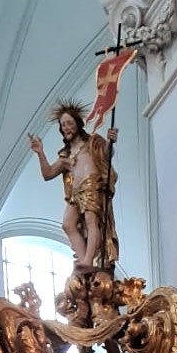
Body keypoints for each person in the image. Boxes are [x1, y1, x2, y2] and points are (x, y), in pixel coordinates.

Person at [28, 101, 119, 270]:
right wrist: (40, 152)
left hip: (92, 184)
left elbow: (106, 155)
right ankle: (84, 260)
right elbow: (48, 173)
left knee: (91, 221)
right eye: (63, 125)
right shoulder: (66, 156)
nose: (67, 128)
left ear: (78, 124)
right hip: (76, 192)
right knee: (68, 223)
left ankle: (87, 261)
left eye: (69, 123)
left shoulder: (91, 142)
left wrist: (110, 141)